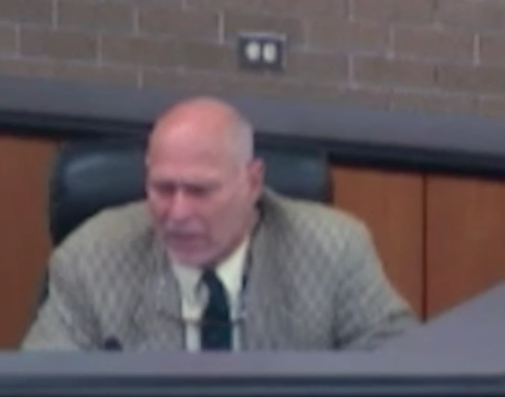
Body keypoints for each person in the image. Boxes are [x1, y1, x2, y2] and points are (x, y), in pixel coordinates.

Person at [23, 96, 416, 352]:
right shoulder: (90, 259)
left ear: (252, 183)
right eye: (163, 189)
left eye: (200, 191)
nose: (177, 213)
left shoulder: (334, 249)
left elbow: (403, 371)